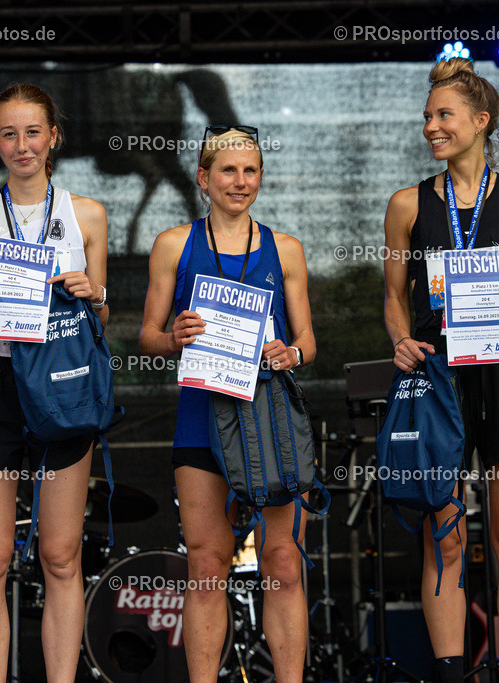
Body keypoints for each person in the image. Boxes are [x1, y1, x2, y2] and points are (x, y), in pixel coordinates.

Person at [382, 58, 499, 683]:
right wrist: (400, 341)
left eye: (443, 115)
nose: (431, 126)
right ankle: (452, 673)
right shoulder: (407, 204)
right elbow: (395, 297)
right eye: (427, 116)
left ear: (481, 122)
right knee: (444, 538)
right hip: (437, 384)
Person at [138, 127, 315, 683]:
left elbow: (309, 339)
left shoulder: (285, 248)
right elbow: (146, 334)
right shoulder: (174, 243)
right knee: (207, 564)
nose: (241, 182)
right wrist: (173, 337)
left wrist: (292, 353)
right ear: (204, 179)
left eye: (251, 171)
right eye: (229, 171)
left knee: (283, 562)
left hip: (270, 422)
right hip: (201, 419)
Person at [0, 83, 109, 683]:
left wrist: (96, 296)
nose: (22, 145)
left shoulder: (87, 214)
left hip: (64, 376)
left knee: (61, 556)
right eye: (9, 134)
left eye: (33, 132)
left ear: (53, 137)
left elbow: (102, 318)